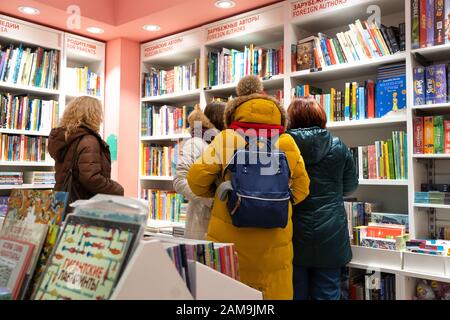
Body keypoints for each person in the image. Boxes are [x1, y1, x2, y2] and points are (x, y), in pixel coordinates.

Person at [186, 76, 310, 300]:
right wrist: (277, 198)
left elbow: (196, 181)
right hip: (275, 245)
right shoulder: (286, 143)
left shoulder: (227, 140)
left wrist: (222, 195)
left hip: (230, 244)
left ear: (234, 112)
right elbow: (303, 189)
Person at [286, 96, 359, 300]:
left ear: (291, 119)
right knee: (328, 294)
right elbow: (351, 186)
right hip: (331, 234)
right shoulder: (339, 147)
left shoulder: (281, 147)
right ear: (321, 117)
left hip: (293, 233)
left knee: (294, 292)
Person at [48, 96, 124, 201]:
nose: (100, 119)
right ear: (92, 115)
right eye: (99, 114)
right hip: (82, 203)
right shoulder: (89, 141)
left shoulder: (66, 138)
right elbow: (90, 178)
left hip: (62, 200)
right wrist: (117, 189)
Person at [173, 102, 226, 240]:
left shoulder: (222, 143)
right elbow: (179, 180)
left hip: (219, 222)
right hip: (201, 221)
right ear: (218, 119)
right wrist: (210, 200)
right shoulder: (195, 143)